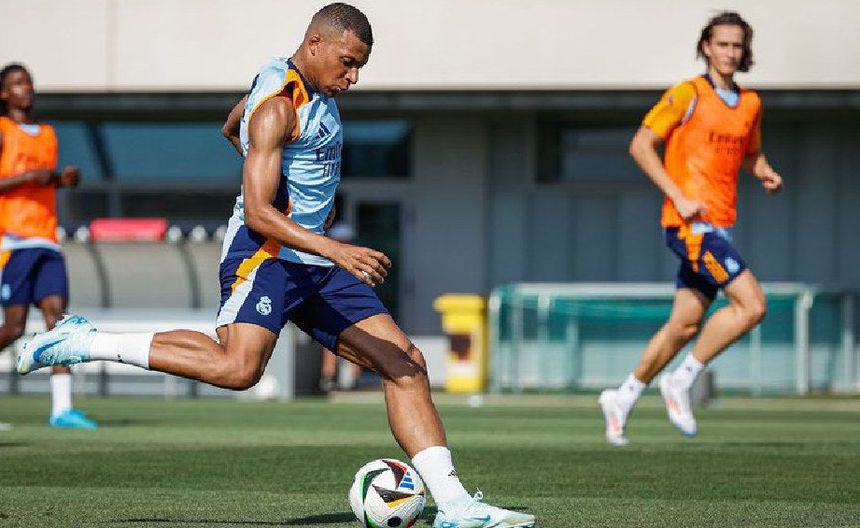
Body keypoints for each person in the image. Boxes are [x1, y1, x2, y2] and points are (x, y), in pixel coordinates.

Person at [18, 4, 534, 526]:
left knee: (405, 362)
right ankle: (85, 342)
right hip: (265, 256)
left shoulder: (299, 91)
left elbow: (231, 125)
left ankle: (455, 506)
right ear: (315, 44)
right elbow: (259, 213)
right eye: (348, 63)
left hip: (312, 257)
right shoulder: (278, 109)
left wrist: (296, 196)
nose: (353, 77)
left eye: (360, 66)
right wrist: (332, 245)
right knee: (238, 369)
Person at [598, 11, 782, 446]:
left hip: (720, 225)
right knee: (752, 306)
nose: (730, 53)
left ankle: (622, 397)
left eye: (737, 45)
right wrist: (678, 196)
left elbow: (749, 153)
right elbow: (641, 145)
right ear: (706, 47)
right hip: (691, 226)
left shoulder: (750, 104)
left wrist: (764, 171)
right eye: (722, 44)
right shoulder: (688, 94)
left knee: (683, 326)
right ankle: (682, 379)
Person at [0, 63, 97, 429]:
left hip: (48, 240)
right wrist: (29, 176)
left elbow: (44, 181)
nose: (25, 88)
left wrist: (62, 180)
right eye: (17, 83)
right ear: (4, 94)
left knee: (59, 322)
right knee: (13, 328)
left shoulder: (48, 134)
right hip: (15, 242)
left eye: (28, 82)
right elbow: (22, 180)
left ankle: (62, 409)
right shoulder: (3, 130)